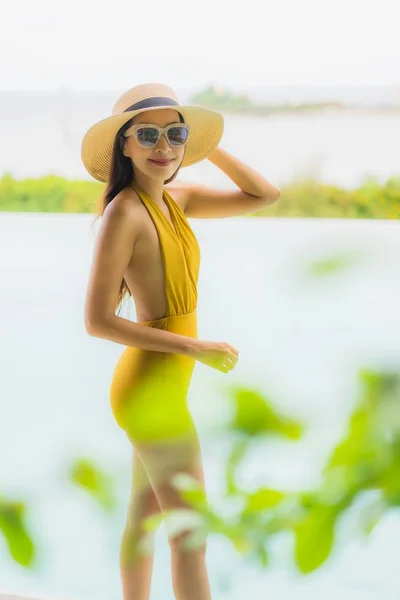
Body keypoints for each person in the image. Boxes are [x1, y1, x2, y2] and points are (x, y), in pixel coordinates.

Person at [81, 82, 280, 600]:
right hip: (150, 388)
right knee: (192, 534)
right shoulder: (124, 212)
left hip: (165, 384)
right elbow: (97, 321)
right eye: (147, 134)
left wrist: (205, 147)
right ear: (124, 144)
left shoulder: (176, 199)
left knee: (145, 523)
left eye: (175, 134)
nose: (162, 146)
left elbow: (265, 194)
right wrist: (196, 347)